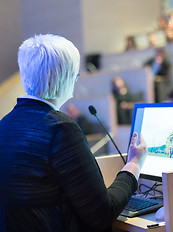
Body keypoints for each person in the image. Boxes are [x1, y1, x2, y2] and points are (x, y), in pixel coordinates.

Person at [0, 34, 147, 232]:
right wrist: (134, 164)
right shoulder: (60, 128)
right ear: (65, 78)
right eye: (75, 74)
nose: (76, 79)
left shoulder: (5, 125)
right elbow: (102, 213)